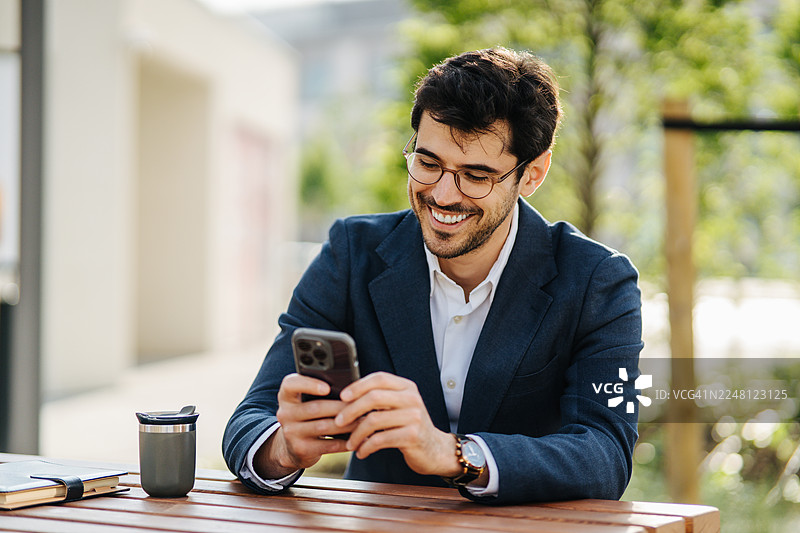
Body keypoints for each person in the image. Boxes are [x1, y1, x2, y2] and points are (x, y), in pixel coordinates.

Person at [223, 47, 643, 505]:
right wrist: (284, 448)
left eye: (476, 175)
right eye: (428, 163)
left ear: (532, 175)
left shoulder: (598, 281)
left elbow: (606, 453)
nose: (443, 194)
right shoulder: (351, 253)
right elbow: (250, 419)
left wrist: (453, 454)